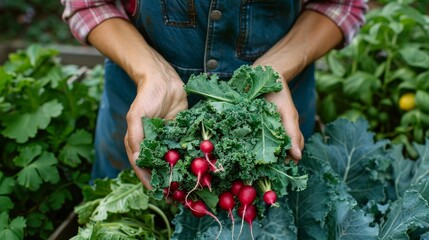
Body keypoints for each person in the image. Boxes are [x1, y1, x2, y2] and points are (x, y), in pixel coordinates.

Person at [61, 0, 367, 188]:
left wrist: (268, 77)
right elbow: (88, 2)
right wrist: (149, 71)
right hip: (146, 103)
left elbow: (340, 4)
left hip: (273, 110)